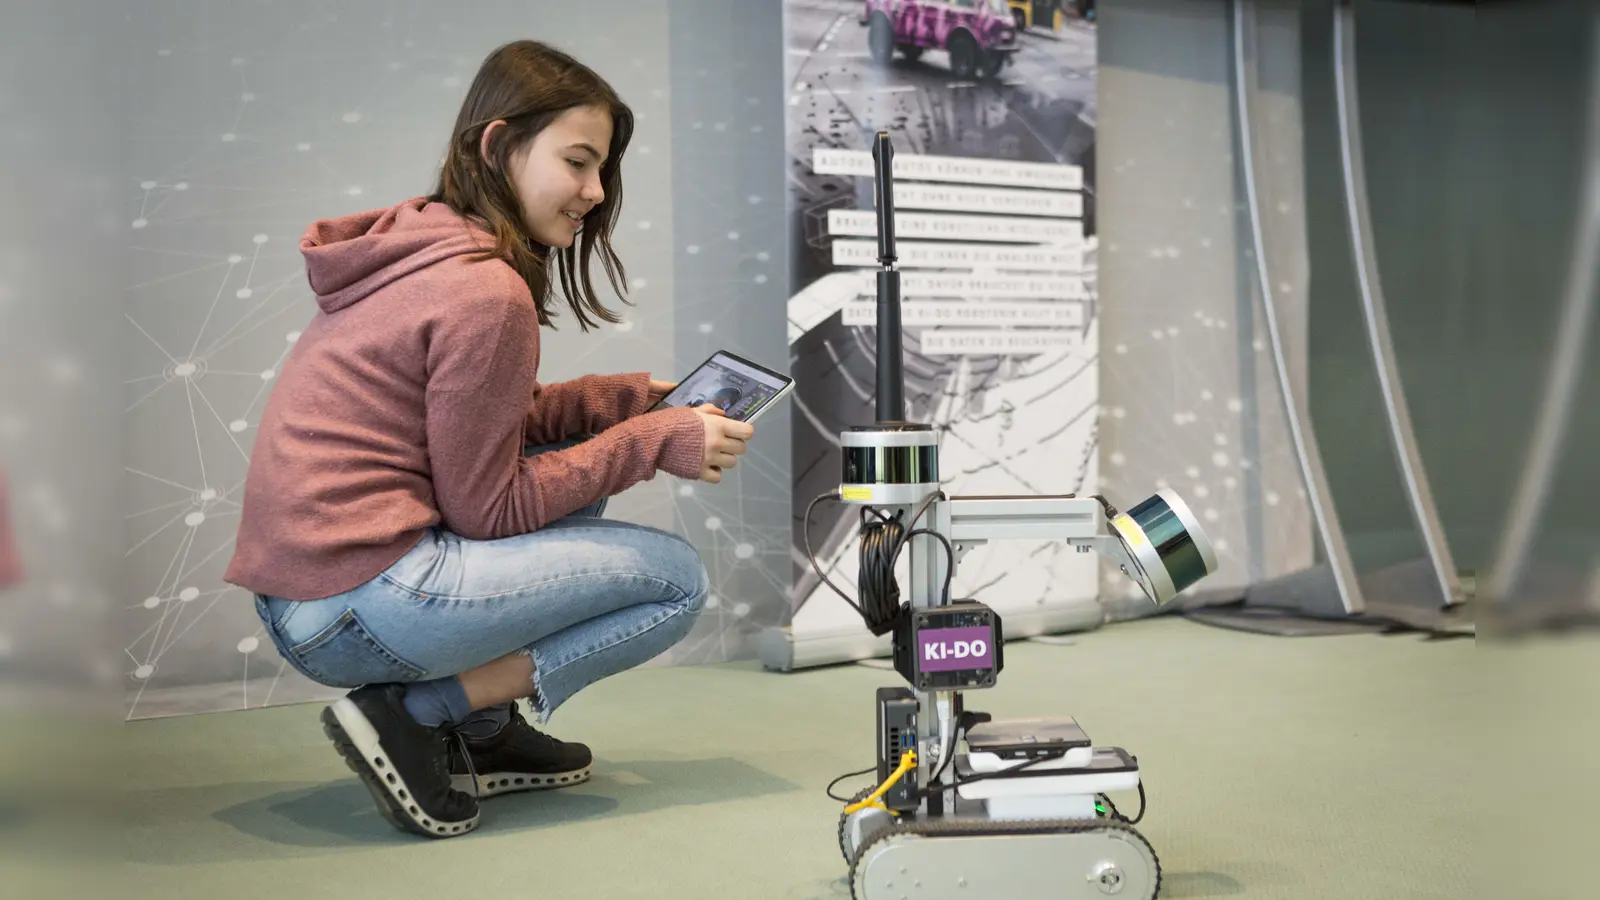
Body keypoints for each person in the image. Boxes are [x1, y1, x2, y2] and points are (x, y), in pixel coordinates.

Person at [223, 40, 756, 840]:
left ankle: (478, 737)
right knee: (675, 581)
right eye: (578, 162)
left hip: (310, 594)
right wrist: (655, 440)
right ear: (497, 144)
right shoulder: (487, 291)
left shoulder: (426, 244)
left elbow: (472, 422)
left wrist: (626, 405)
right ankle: (418, 716)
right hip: (355, 608)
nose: (594, 191)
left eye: (603, 168)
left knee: (571, 470)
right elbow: (489, 507)